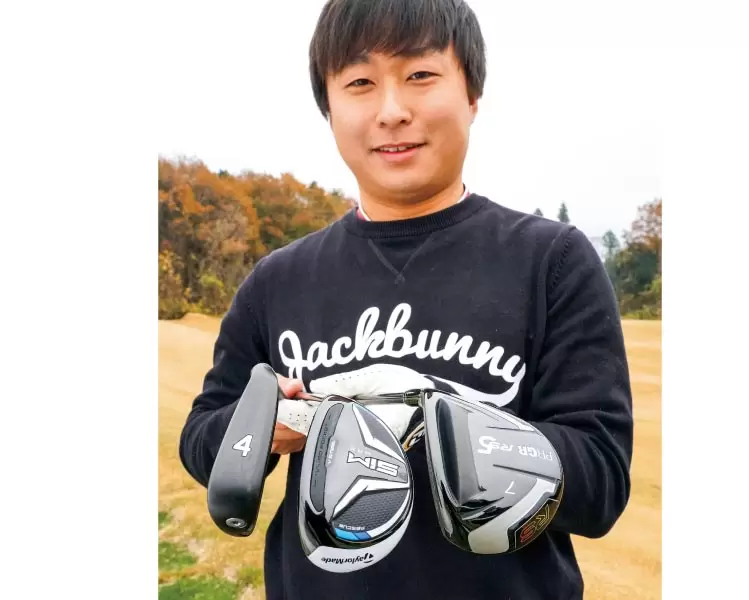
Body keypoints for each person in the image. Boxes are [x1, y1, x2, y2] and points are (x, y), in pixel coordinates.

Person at [178, 0, 634, 598]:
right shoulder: (277, 280)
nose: (391, 111)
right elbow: (202, 442)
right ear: (329, 108)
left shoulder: (552, 260)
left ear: (472, 95)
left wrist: (435, 412)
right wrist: (267, 423)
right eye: (360, 83)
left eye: (420, 74)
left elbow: (601, 483)